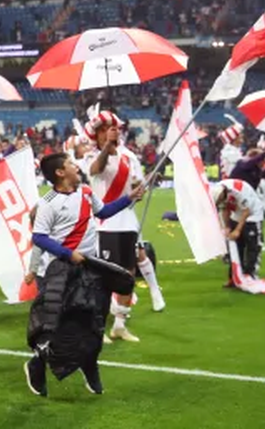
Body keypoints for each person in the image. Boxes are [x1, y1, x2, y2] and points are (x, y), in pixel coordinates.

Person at [25, 153, 146, 397]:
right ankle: (37, 364)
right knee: (58, 326)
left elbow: (103, 213)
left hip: (92, 268)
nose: (76, 166)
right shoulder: (48, 203)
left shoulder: (87, 193)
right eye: (70, 163)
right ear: (60, 172)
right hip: (62, 270)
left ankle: (90, 365)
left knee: (95, 321)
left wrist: (129, 198)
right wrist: (68, 254)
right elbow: (38, 237)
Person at [86, 110, 163, 344]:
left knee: (127, 276)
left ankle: (120, 324)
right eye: (105, 129)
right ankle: (97, 325)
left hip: (127, 222)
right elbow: (95, 171)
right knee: (104, 276)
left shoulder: (130, 156)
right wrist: (107, 148)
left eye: (115, 128)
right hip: (104, 223)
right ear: (97, 135)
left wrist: (141, 189)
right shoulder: (92, 155)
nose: (113, 131)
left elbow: (137, 186)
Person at [214, 179, 265, 281]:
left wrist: (237, 230)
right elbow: (224, 209)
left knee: (252, 246)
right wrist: (227, 227)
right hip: (236, 214)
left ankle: (250, 275)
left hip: (253, 215)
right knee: (236, 247)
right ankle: (235, 276)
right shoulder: (218, 190)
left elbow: (246, 211)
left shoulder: (238, 190)